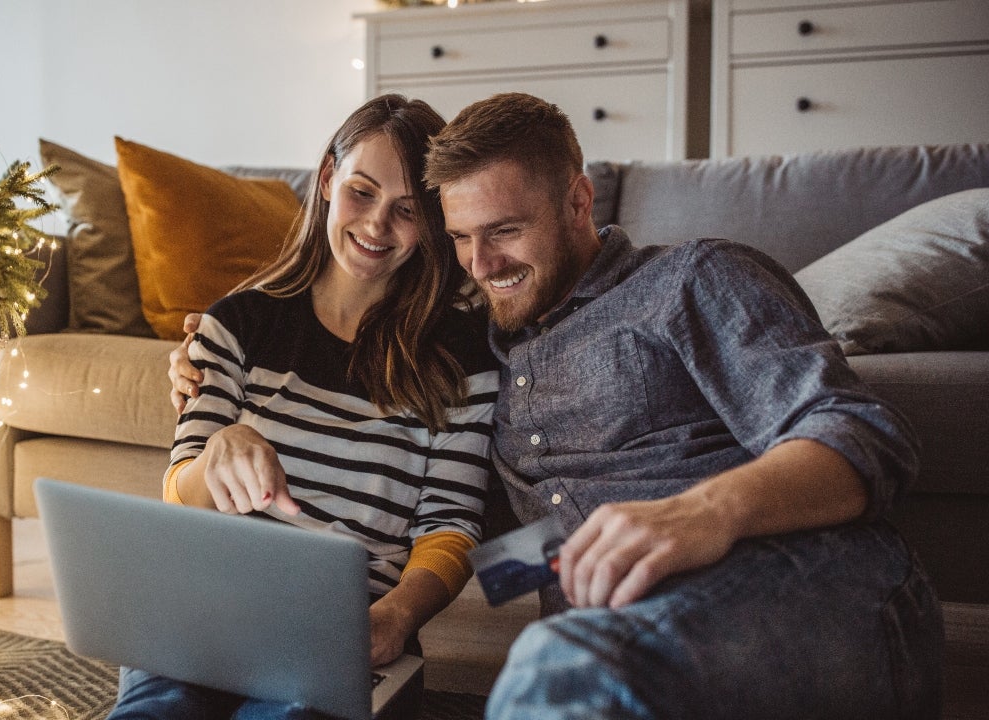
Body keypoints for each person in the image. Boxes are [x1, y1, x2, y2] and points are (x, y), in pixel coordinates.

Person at [172, 92, 944, 719]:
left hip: (791, 583)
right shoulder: (490, 353)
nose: (483, 264)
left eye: (506, 231)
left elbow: (866, 437)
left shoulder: (691, 282)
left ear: (579, 201)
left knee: (556, 670)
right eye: (463, 239)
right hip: (621, 632)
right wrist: (399, 609)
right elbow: (486, 541)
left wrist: (700, 513)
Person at [110, 94, 499, 720]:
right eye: (361, 192)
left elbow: (449, 526)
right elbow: (179, 495)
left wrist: (395, 617)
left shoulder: (462, 358)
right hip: (204, 610)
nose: (376, 226)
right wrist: (216, 454)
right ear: (326, 180)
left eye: (406, 210)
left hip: (348, 636)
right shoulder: (237, 322)